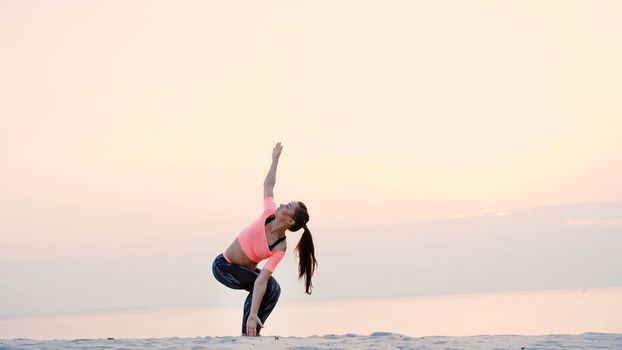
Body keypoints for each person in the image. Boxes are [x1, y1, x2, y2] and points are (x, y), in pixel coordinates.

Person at [211, 142, 318, 336]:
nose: (282, 204)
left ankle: (253, 330)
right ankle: (249, 328)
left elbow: (262, 281)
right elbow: (268, 185)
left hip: (243, 271)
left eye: (287, 206)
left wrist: (254, 313)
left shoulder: (280, 247)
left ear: (289, 220)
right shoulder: (269, 212)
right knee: (264, 285)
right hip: (223, 267)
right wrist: (275, 159)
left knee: (273, 288)